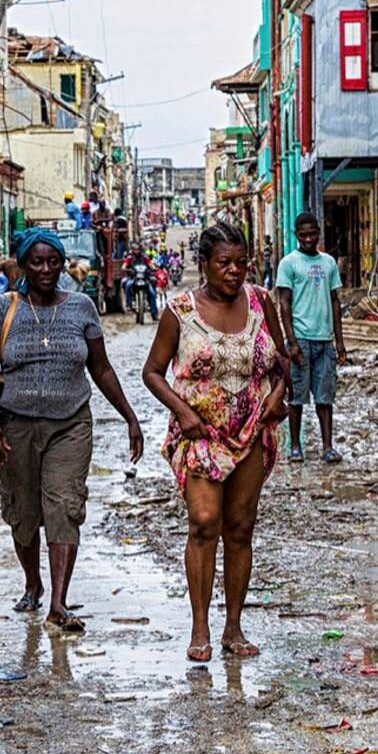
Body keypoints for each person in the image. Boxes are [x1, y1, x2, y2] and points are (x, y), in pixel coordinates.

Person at [0, 227, 144, 632]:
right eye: (37, 262)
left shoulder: (82, 307)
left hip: (70, 423)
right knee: (23, 512)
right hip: (15, 426)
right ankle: (32, 583)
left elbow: (100, 367)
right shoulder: (2, 308)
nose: (47, 269)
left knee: (64, 508)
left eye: (54, 261)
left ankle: (58, 603)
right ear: (22, 265)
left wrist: (130, 416)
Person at [142, 222, 287, 662]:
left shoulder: (261, 302)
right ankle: (200, 627)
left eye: (241, 262)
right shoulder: (180, 311)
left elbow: (281, 364)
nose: (234, 271)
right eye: (224, 263)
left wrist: (278, 398)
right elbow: (152, 371)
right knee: (204, 522)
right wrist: (183, 413)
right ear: (203, 264)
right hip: (201, 433)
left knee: (240, 528)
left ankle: (234, 628)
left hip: (251, 432)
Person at [276, 212, 348, 463]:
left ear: (319, 232)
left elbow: (335, 302)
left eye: (312, 233)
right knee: (296, 397)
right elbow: (284, 304)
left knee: (325, 397)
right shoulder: (288, 263)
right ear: (297, 235)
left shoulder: (328, 263)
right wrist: (292, 342)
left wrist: (339, 341)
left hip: (325, 340)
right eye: (303, 234)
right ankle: (295, 446)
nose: (308, 238)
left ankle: (328, 446)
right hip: (301, 340)